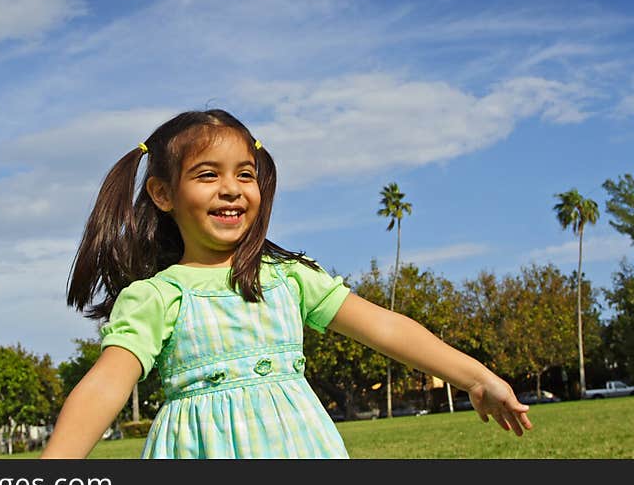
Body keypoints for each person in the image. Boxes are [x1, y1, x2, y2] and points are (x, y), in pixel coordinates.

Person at [41, 109, 532, 459]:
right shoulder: (157, 296)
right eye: (207, 175)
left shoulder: (288, 279)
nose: (231, 188)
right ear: (163, 193)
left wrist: (476, 377)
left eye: (245, 174)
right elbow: (106, 384)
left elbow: (386, 329)